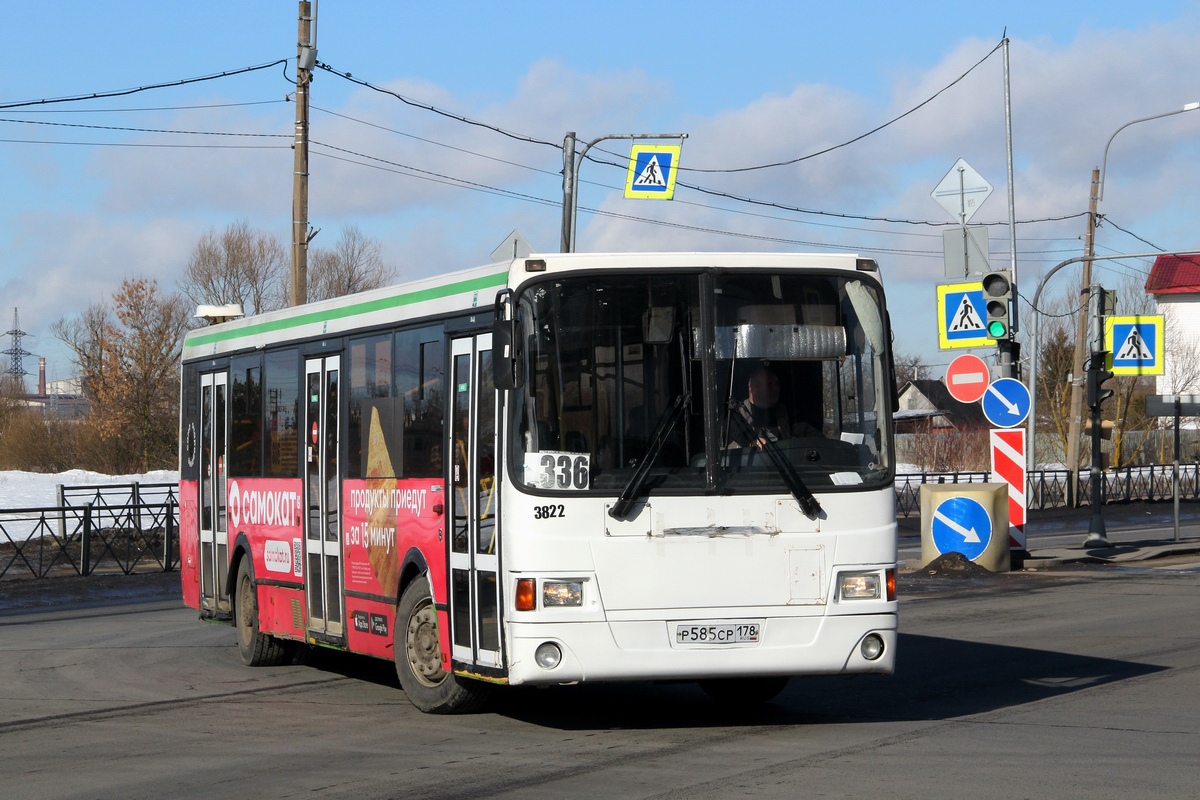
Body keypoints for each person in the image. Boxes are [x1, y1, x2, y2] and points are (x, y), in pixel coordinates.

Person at [728, 366, 820, 449]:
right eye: (769, 385)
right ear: (753, 388)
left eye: (777, 384)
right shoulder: (734, 418)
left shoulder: (788, 416)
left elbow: (816, 438)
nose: (775, 389)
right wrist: (750, 443)